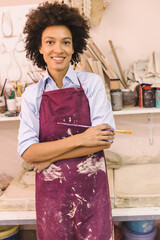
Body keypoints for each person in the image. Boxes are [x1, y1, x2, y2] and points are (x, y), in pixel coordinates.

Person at [18, 2, 115, 240]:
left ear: (74, 48)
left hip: (92, 194)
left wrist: (50, 155)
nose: (58, 49)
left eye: (66, 42)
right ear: (39, 47)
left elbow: (103, 140)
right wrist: (82, 138)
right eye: (50, 42)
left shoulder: (91, 84)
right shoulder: (32, 95)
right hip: (52, 200)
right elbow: (29, 153)